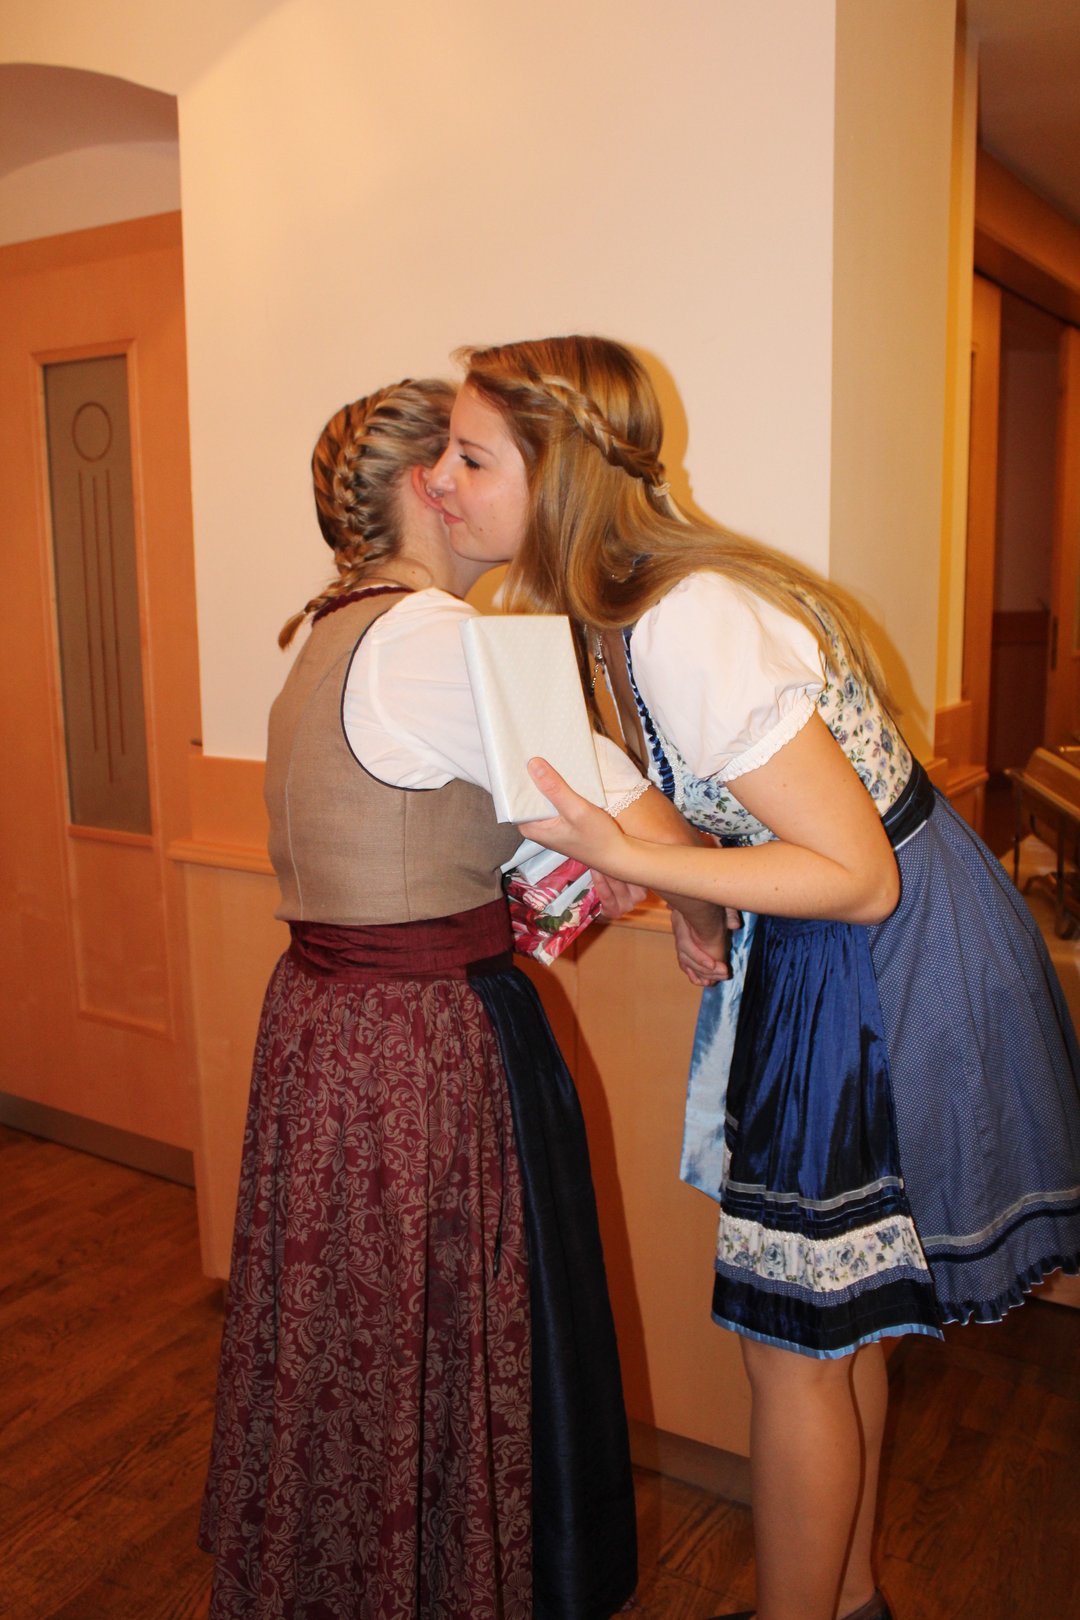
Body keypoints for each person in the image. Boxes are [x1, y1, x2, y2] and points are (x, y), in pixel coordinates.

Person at [423, 336, 1080, 1620]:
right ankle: (846, 1603)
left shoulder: (684, 622)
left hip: (880, 957)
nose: (441, 480)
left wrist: (631, 856)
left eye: (471, 457)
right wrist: (689, 893)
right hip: (834, 952)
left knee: (792, 1346)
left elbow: (859, 875)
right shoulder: (614, 616)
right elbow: (746, 820)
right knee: (832, 1328)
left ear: (559, 478)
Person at [198, 376, 724, 1620]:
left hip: (323, 1028)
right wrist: (704, 916)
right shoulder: (442, 641)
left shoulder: (327, 639)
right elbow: (619, 812)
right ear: (426, 487)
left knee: (352, 1329)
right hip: (417, 1043)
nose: (487, 484)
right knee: (432, 1330)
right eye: (474, 459)